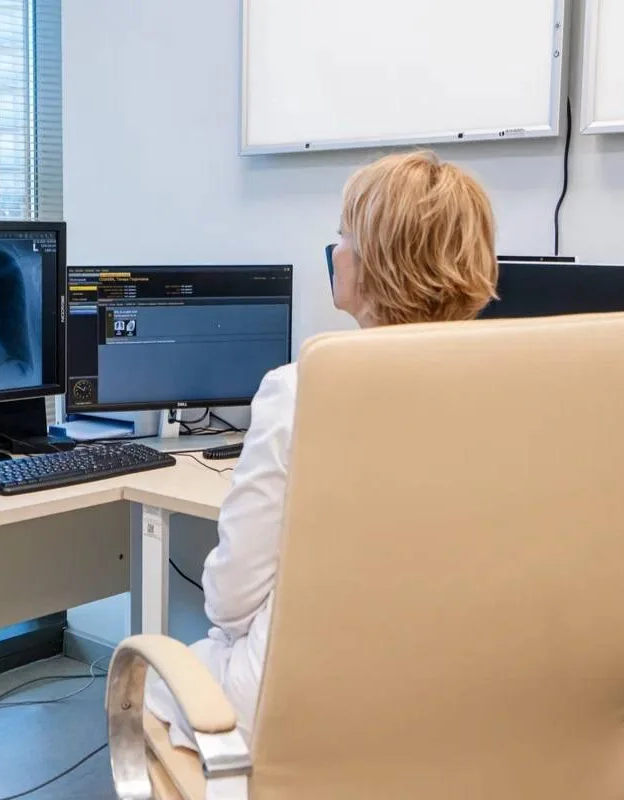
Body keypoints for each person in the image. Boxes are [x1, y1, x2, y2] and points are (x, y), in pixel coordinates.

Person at [146, 150, 500, 750]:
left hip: (306, 701)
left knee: (155, 684)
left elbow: (230, 601)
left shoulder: (303, 388)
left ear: (373, 263)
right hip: (458, 691)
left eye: (344, 235)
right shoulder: (517, 383)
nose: (336, 251)